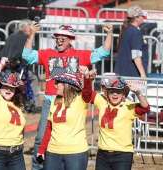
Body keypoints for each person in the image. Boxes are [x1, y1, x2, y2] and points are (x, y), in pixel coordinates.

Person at [22, 23, 113, 169]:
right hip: (51, 100)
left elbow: (104, 52)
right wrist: (31, 34)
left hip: (73, 100)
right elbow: (26, 55)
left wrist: (109, 34)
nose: (59, 40)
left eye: (63, 37)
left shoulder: (81, 55)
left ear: (70, 39)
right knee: (40, 138)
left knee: (70, 135)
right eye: (57, 37)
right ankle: (38, 167)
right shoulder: (46, 54)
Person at [82, 72, 150, 170]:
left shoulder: (128, 106)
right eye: (112, 91)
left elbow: (145, 108)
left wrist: (138, 93)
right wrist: (88, 79)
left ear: (123, 94)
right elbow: (87, 95)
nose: (115, 94)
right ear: (107, 93)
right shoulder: (102, 101)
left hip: (123, 155)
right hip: (103, 154)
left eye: (118, 92)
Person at [37, 67, 90, 170]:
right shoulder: (54, 101)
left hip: (75, 153)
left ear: (67, 85)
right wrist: (42, 149)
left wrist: (87, 76)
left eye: (58, 82)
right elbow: (49, 128)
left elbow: (87, 92)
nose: (55, 85)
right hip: (53, 152)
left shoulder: (81, 99)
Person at [115, 5, 148, 78]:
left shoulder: (125, 29)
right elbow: (136, 55)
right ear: (136, 18)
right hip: (132, 74)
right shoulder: (135, 32)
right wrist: (142, 74)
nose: (143, 17)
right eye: (142, 16)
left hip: (122, 71)